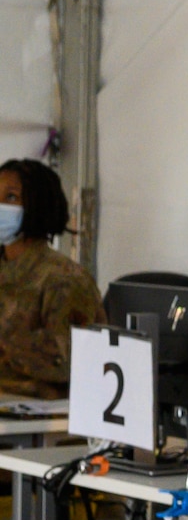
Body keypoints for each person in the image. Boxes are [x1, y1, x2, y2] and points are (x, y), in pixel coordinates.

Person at [0, 158, 105, 398]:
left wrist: (7, 345)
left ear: (38, 205)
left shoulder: (64, 279)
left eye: (11, 197)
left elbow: (69, 360)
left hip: (38, 416)